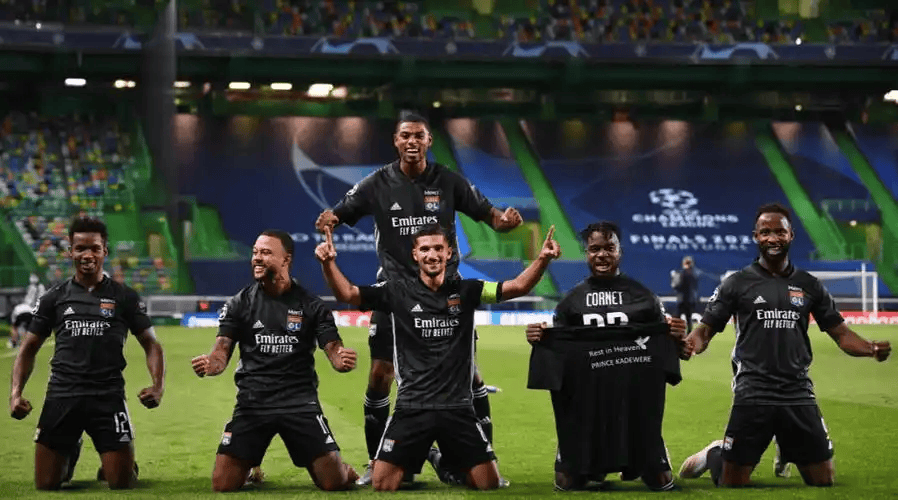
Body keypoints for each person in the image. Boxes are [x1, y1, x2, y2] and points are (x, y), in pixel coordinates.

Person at [314, 112, 523, 484]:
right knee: (380, 374)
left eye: (419, 136)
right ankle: (376, 460)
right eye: (405, 135)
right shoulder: (376, 183)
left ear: (429, 141)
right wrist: (328, 219)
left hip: (447, 293)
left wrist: (505, 220)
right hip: (394, 294)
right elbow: (339, 214)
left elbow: (490, 215)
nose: (412, 141)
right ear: (396, 141)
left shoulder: (449, 181)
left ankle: (475, 460)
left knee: (470, 375)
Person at [315, 223, 560, 490]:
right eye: (425, 249)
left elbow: (518, 287)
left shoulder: (469, 291)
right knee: (382, 484)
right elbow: (348, 294)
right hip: (412, 407)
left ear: (449, 253)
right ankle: (426, 452)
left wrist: (543, 258)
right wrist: (328, 264)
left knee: (488, 484)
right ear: (415, 255)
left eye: (438, 248)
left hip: (458, 408)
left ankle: (441, 461)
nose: (432, 255)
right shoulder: (395, 291)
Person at [677, 203, 892, 488]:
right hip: (753, 390)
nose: (773, 238)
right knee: (732, 483)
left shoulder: (809, 285)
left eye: (780, 232)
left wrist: (871, 348)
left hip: (797, 391)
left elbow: (841, 334)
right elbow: (705, 331)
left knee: (823, 480)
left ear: (791, 235)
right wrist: (690, 345)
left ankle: (788, 443)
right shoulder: (736, 284)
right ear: (756, 236)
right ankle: (715, 453)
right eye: (765, 232)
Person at [190, 230, 359, 492]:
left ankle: (342, 468)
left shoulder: (311, 305)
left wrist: (341, 359)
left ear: (286, 259)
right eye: (255, 252)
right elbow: (221, 350)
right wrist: (211, 364)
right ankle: (248, 464)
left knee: (334, 482)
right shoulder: (239, 303)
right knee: (222, 485)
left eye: (266, 253)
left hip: (299, 403)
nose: (257, 258)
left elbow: (333, 347)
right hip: (253, 402)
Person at [525, 221, 687, 492]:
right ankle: (587, 458)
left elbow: (669, 348)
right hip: (586, 400)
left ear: (619, 251)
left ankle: (649, 449)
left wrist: (678, 338)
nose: (602, 255)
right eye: (595, 249)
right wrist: (540, 336)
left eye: (609, 248)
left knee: (661, 483)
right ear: (586, 253)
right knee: (566, 484)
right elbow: (560, 349)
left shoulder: (645, 297)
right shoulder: (570, 303)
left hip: (633, 399)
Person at [9, 216, 165, 490]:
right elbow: (28, 348)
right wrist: (15, 394)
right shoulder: (53, 298)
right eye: (80, 248)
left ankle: (122, 464)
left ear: (105, 251)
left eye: (94, 248)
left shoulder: (125, 297)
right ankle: (70, 449)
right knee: (47, 484)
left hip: (108, 395)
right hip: (62, 395)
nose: (87, 255)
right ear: (70, 251)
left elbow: (151, 344)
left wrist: (157, 386)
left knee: (121, 483)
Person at [9, 273, 46, 348]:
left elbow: (14, 326)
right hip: (32, 311)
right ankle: (26, 343)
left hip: (25, 309)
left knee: (15, 327)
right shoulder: (41, 287)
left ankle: (14, 342)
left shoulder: (17, 308)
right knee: (28, 329)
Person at [671, 256, 699, 332]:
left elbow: (678, 286)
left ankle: (687, 332)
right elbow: (677, 286)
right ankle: (679, 332)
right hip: (684, 299)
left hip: (687, 299)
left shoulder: (689, 274)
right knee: (681, 317)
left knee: (686, 317)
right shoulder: (686, 274)